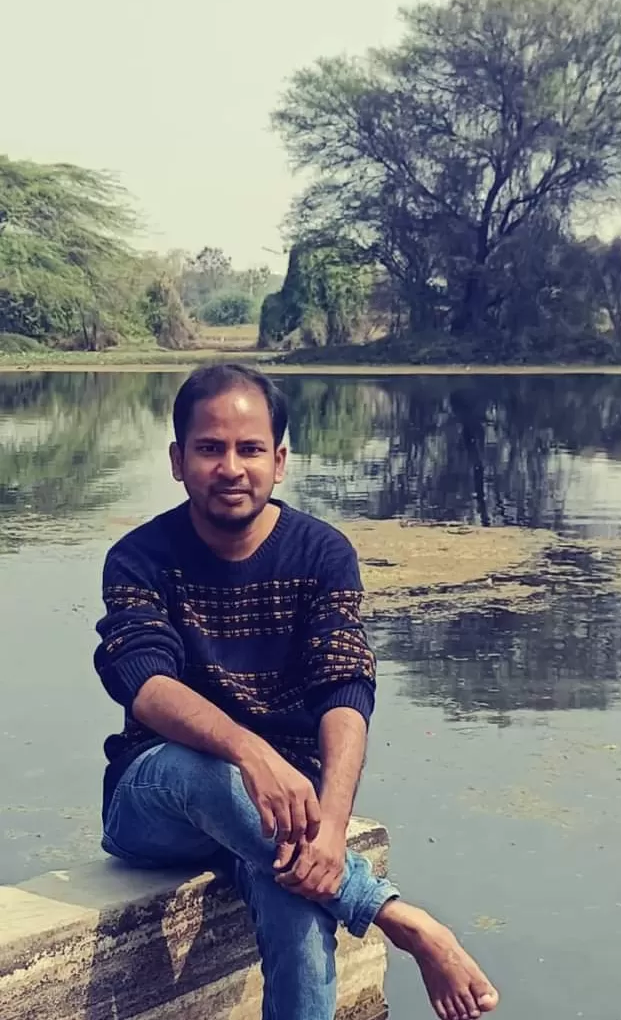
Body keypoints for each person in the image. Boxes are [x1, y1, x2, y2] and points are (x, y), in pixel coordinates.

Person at [92, 362, 499, 1020]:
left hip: (278, 818)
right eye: (209, 447)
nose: (231, 466)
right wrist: (252, 754)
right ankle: (400, 919)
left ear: (279, 460)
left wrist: (332, 828)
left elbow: (345, 688)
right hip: (157, 798)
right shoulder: (139, 556)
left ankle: (332, 880)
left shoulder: (321, 554)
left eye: (250, 448)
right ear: (177, 459)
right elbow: (145, 684)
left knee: (300, 908)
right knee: (211, 773)